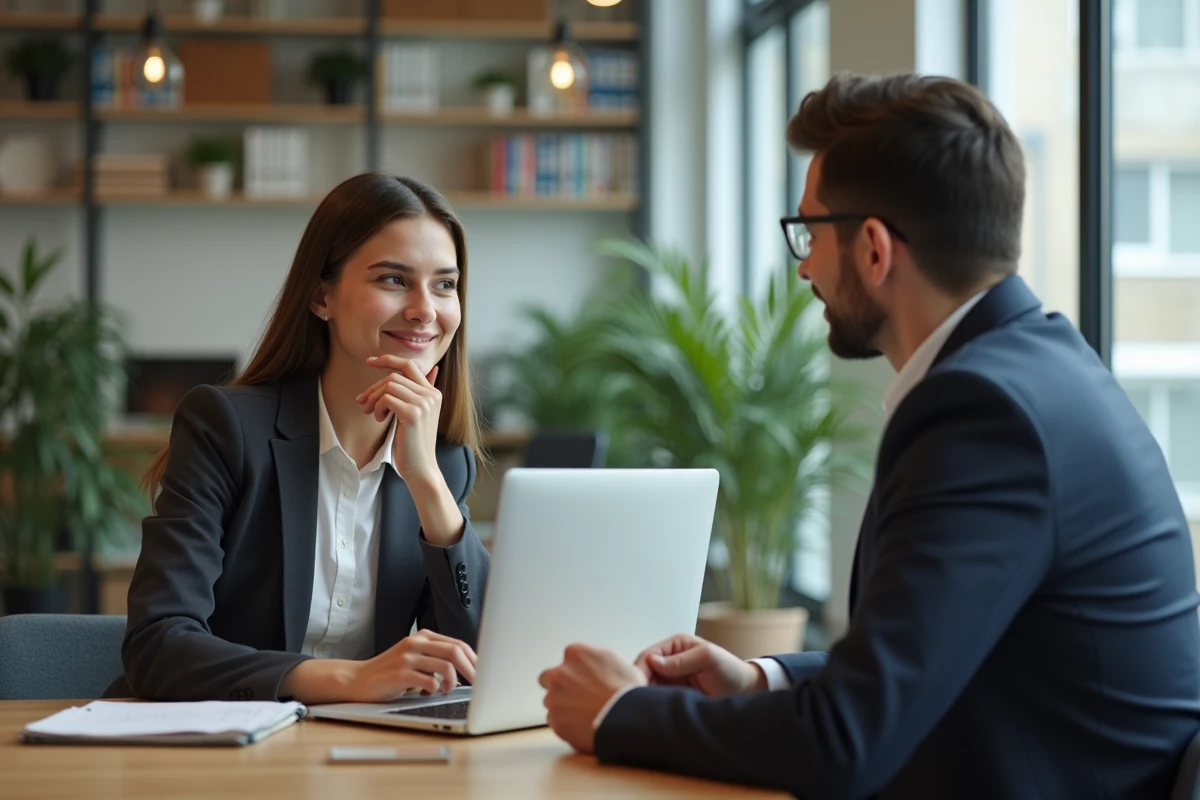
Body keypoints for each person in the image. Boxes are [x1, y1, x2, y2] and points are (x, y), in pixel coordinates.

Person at [537, 73, 1200, 798]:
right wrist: (760, 678)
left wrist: (619, 713)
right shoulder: (1042, 369)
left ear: (876, 250)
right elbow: (932, 657)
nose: (803, 267)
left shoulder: (984, 415)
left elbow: (843, 743)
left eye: (809, 233)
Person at [106, 173, 488, 705]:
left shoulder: (445, 462)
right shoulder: (225, 427)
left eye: (445, 285)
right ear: (320, 296)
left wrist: (427, 482)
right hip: (220, 738)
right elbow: (158, 645)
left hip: (365, 745)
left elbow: (479, 661)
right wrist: (350, 679)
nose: (425, 308)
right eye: (393, 279)